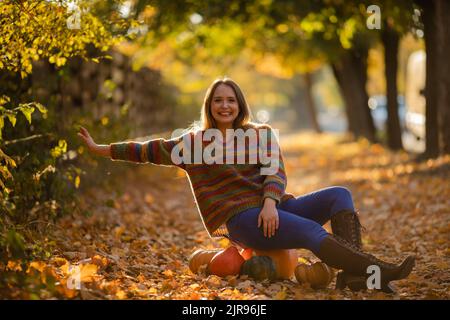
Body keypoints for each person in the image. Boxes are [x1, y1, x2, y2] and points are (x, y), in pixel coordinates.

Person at [78, 76, 415, 292]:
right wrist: (100, 149)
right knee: (313, 235)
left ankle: (355, 275)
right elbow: (146, 150)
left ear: (239, 105)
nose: (225, 106)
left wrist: (270, 202)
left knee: (339, 194)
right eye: (218, 100)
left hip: (274, 209)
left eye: (231, 100)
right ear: (210, 106)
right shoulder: (194, 144)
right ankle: (375, 270)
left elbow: (276, 173)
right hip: (243, 222)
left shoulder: (260, 134)